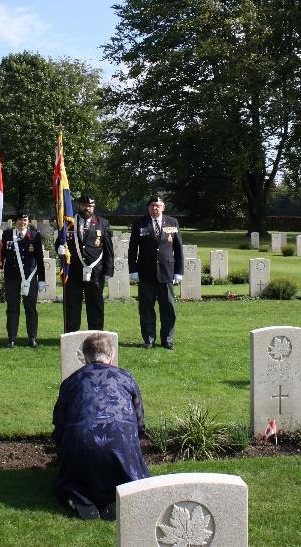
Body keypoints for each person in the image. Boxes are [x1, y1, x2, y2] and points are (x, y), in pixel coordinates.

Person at [52, 332, 150, 520]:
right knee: (130, 476)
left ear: (85, 358)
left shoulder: (71, 382)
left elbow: (60, 422)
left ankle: (80, 499)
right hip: (121, 445)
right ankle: (118, 496)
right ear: (111, 357)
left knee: (73, 477)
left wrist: (60, 447)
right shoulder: (126, 378)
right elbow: (139, 421)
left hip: (81, 445)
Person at [128, 196, 184, 349]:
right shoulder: (140, 223)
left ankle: (167, 339)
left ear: (163, 207)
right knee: (146, 308)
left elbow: (178, 248)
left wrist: (179, 271)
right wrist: (132, 269)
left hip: (166, 272)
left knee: (168, 308)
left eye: (158, 206)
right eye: (152, 205)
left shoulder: (172, 222)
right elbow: (133, 248)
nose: (155, 208)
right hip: (145, 272)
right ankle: (149, 339)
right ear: (149, 207)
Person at [56, 193, 114, 332]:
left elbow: (108, 249)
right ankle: (71, 334)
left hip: (95, 273)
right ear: (79, 206)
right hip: (73, 272)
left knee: (95, 305)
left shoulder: (102, 223)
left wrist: (108, 271)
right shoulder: (68, 223)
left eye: (90, 206)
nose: (87, 208)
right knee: (72, 305)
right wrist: (59, 249)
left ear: (94, 207)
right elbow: (59, 242)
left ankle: (95, 335)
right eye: (84, 205)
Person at [1, 213, 46, 348]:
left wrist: (41, 279)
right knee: (12, 308)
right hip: (12, 277)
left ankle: (32, 337)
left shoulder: (34, 236)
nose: (22, 222)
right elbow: (2, 253)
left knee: (31, 309)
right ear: (16, 221)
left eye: (25, 220)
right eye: (20, 219)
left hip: (29, 277)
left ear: (28, 221)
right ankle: (11, 338)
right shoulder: (7, 235)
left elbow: (39, 258)